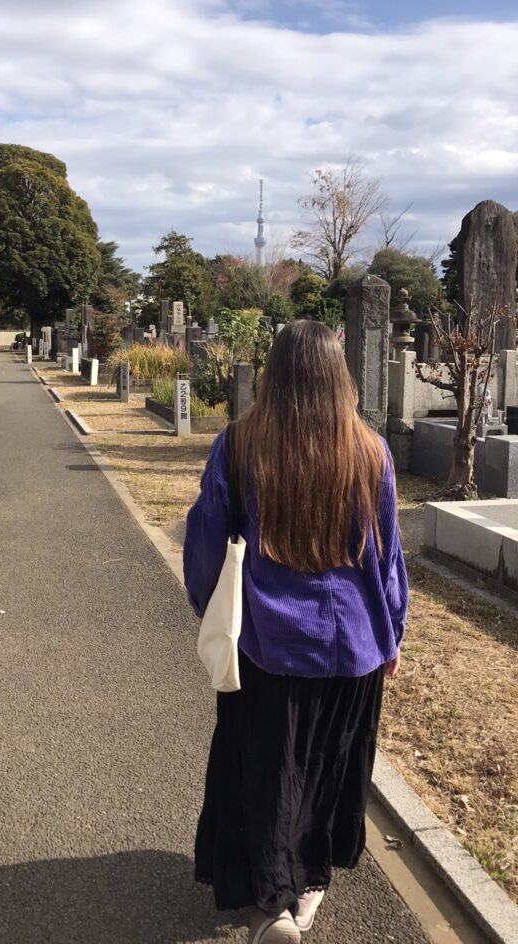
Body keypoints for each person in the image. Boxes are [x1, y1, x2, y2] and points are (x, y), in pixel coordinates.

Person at [184, 320, 408, 944]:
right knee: (329, 768)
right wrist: (392, 633)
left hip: (266, 644)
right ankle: (308, 890)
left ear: (273, 373)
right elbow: (386, 556)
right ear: (340, 376)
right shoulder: (370, 450)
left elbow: (206, 543)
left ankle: (268, 904)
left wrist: (209, 609)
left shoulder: (239, 445)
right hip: (352, 647)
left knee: (265, 765)